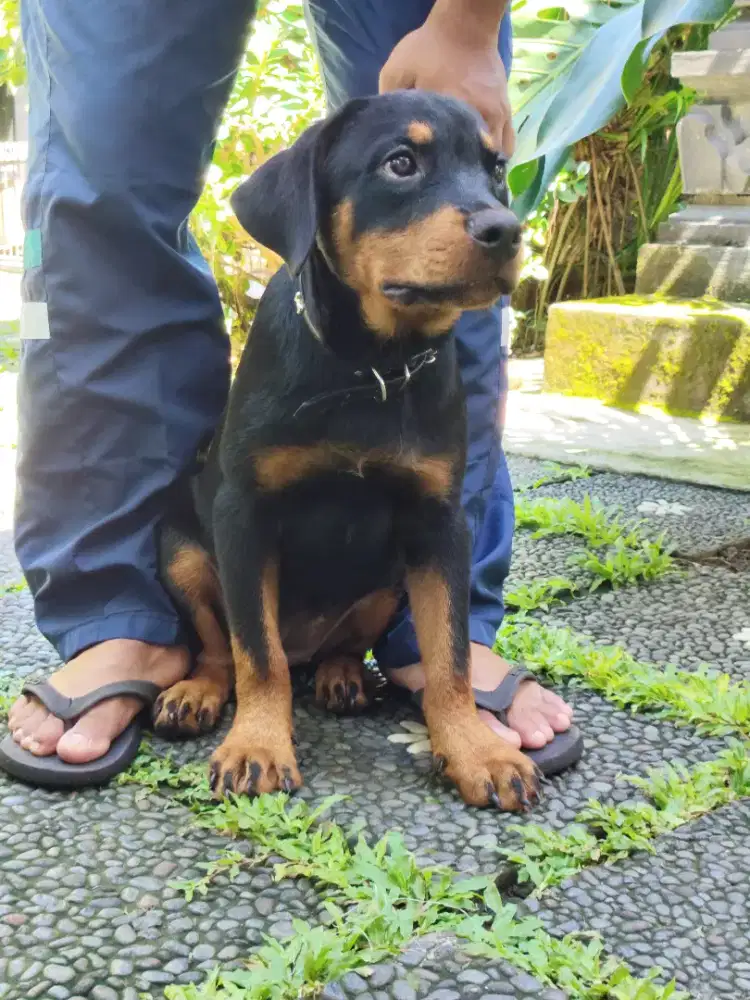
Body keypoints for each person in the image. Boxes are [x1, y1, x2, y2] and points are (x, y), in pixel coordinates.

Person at [2, 0, 574, 782]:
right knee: (105, 174)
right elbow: (238, 511)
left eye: (491, 177)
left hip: (374, 541)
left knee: (443, 85)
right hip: (248, 558)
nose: (494, 214)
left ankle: (440, 666)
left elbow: (433, 526)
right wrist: (254, 695)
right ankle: (141, 626)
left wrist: (468, 23)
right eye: (403, 168)